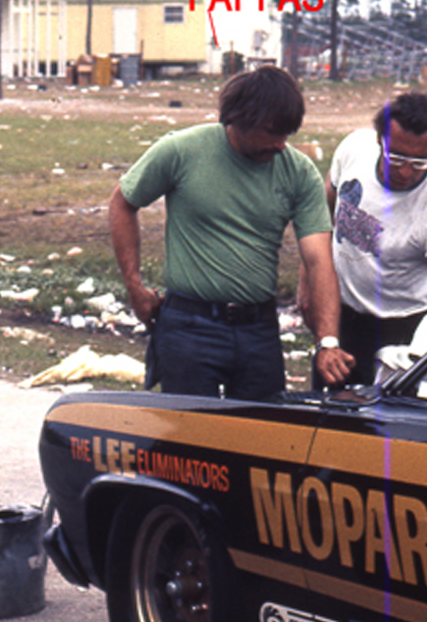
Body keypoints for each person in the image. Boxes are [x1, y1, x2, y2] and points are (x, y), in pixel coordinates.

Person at [109, 65, 341, 401]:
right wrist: (134, 286)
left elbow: (320, 261)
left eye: (287, 134)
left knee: (258, 434)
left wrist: (328, 341)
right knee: (188, 440)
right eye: (270, 132)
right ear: (237, 119)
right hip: (188, 326)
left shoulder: (299, 173)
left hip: (258, 330)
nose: (279, 145)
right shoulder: (182, 151)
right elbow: (122, 202)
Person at [311, 90, 427, 389]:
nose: (406, 171)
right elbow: (320, 217)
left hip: (404, 327)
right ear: (379, 140)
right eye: (396, 157)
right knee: (328, 417)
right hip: (343, 314)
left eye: (421, 161)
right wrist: (311, 283)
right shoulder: (353, 149)